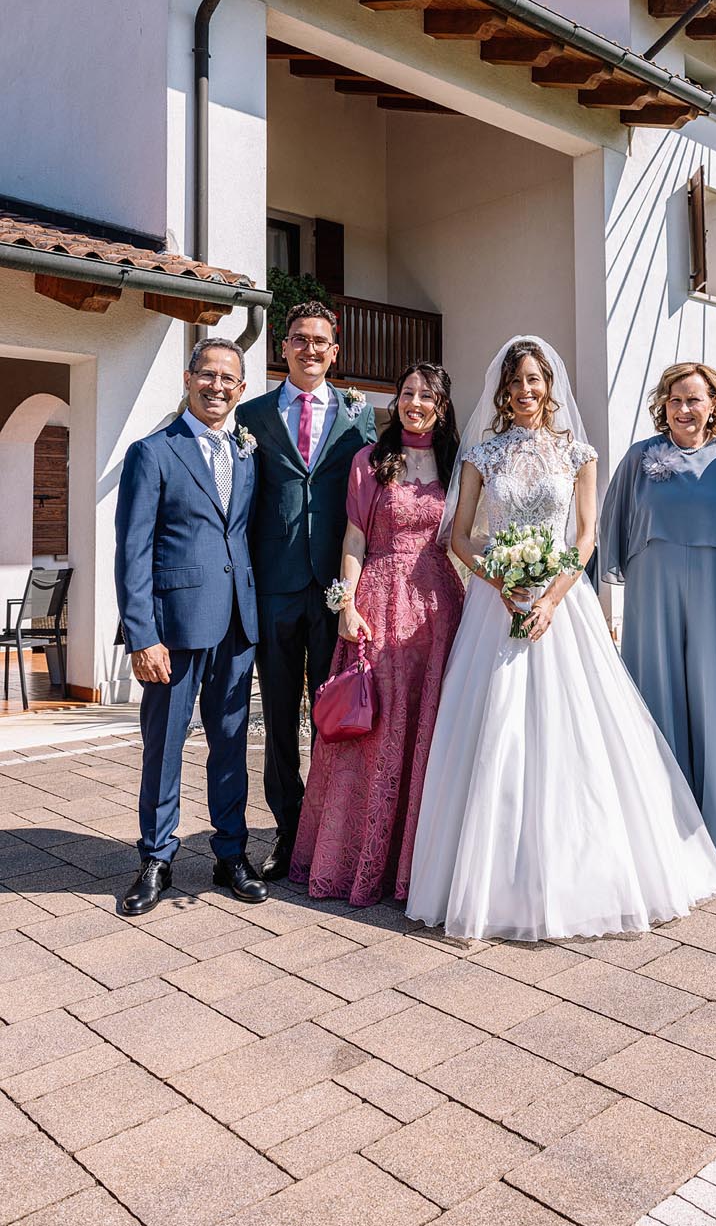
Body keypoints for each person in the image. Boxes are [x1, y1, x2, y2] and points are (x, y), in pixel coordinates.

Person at [405, 336, 716, 942]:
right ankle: (492, 881)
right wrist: (498, 582)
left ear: (549, 387)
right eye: (516, 381)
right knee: (492, 731)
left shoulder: (578, 454)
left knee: (577, 734)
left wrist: (551, 596)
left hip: (562, 604)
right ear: (503, 390)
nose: (526, 391)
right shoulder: (481, 455)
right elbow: (461, 537)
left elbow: (585, 535)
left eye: (536, 380)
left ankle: (583, 874)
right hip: (495, 606)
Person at [290, 362, 465, 905]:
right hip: (379, 605)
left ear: (441, 405)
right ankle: (359, 861)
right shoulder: (371, 461)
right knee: (373, 732)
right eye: (407, 392)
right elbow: (354, 539)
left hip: (439, 610)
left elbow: (469, 537)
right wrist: (346, 603)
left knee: (430, 733)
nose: (414, 402)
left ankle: (417, 866)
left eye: (425, 395)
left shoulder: (458, 465)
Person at [114, 338, 266, 916]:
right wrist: (142, 635)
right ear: (188, 378)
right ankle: (156, 857)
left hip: (235, 623)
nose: (218, 387)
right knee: (165, 747)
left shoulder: (247, 453)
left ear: (242, 389)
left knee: (230, 747)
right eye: (208, 375)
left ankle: (232, 854)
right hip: (173, 630)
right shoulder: (152, 452)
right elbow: (132, 551)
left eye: (229, 378)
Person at [600, 363, 716, 871]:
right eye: (675, 400)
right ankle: (661, 835)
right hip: (653, 586)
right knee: (657, 699)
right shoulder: (640, 457)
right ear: (664, 404)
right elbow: (612, 525)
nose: (684, 409)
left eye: (694, 399)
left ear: (714, 404)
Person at [237, 301, 377, 882]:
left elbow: (371, 506)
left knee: (329, 712)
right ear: (283, 347)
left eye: (321, 341)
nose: (310, 349)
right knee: (275, 714)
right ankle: (286, 828)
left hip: (331, 588)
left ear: (335, 350)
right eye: (299, 339)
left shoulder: (358, 416)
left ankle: (325, 828)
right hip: (274, 585)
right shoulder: (252, 415)